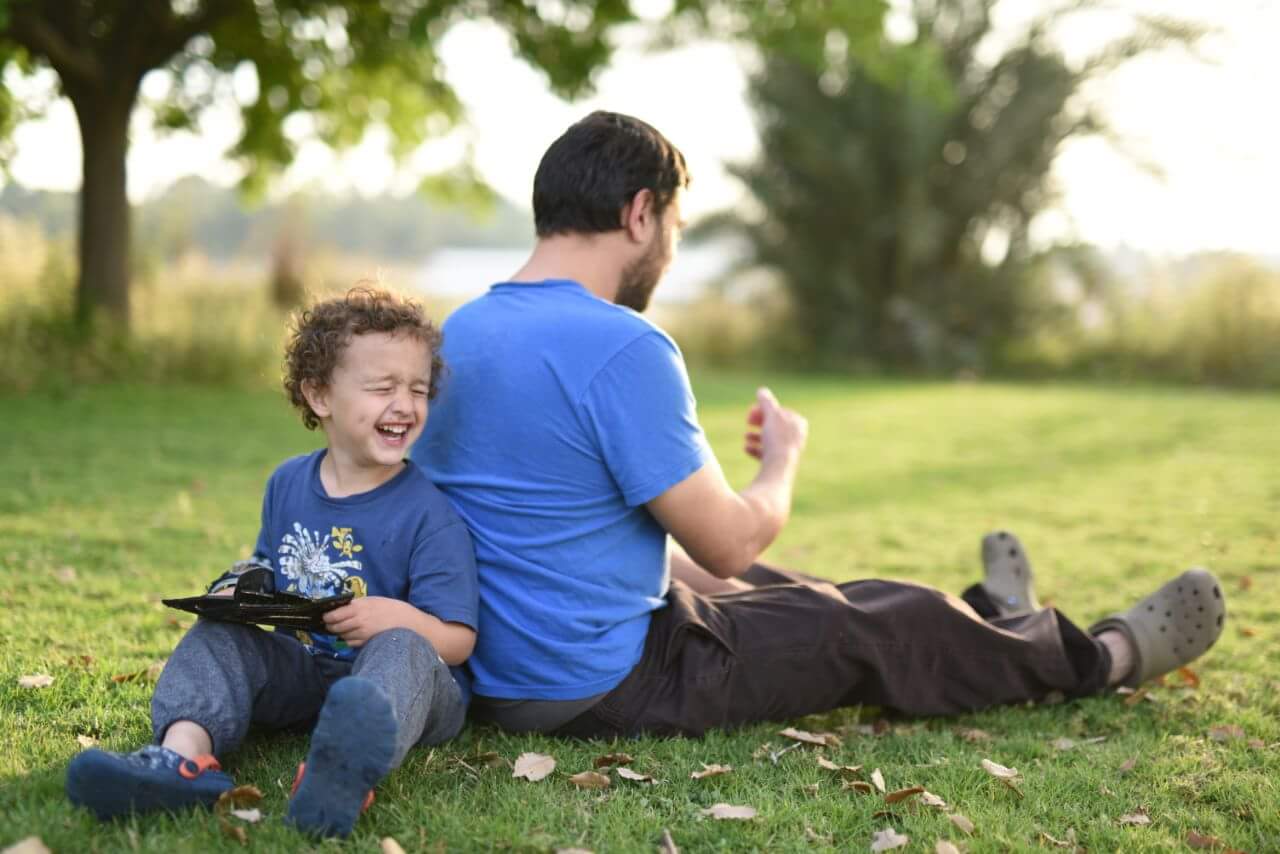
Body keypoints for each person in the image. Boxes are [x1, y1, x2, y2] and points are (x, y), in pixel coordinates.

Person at [411, 111, 1226, 739]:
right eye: (676, 230)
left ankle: (997, 621)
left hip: (507, 674)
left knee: (784, 590)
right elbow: (727, 540)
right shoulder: (623, 345)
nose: (669, 250)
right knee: (863, 619)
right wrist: (781, 465)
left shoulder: (460, 332)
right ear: (640, 214)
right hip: (604, 683)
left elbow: (534, 524)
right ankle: (1109, 656)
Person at [66, 288, 478, 837]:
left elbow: (457, 640)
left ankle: (340, 773)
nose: (405, 404)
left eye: (418, 390)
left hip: (408, 689)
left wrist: (395, 618)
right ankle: (181, 760)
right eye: (383, 388)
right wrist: (242, 585)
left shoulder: (429, 514)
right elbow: (270, 561)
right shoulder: (288, 483)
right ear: (320, 395)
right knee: (217, 634)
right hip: (306, 672)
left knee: (401, 649)